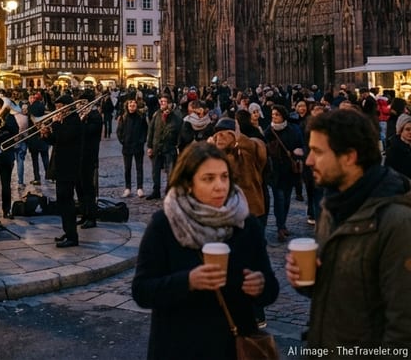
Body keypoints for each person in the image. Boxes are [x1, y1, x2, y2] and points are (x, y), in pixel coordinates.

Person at [131, 142, 279, 359]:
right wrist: (187, 281)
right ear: (189, 183)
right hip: (178, 347)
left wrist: (260, 286)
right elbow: (142, 291)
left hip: (232, 346)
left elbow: (270, 289)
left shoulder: (245, 224)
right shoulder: (165, 224)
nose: (219, 186)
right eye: (208, 178)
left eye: (224, 176)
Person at [285, 108, 411, 351]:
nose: (309, 160)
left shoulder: (398, 223)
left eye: (318, 152)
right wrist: (311, 281)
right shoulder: (333, 206)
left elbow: (403, 332)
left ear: (349, 157)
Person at [262, 105, 304, 242]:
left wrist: (298, 151)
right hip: (276, 171)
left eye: (277, 114)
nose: (274, 117)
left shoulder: (292, 130)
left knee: (286, 200)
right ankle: (280, 227)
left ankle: (283, 223)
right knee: (279, 199)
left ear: (283, 116)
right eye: (273, 114)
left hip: (289, 170)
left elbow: (299, 144)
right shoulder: (269, 131)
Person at [47, 94, 83, 248]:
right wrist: (45, 135)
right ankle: (67, 231)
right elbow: (55, 140)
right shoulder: (65, 121)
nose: (57, 111)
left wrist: (54, 125)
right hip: (60, 166)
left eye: (59, 107)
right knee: (62, 202)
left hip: (69, 167)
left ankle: (72, 236)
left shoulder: (74, 121)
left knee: (66, 201)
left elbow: (65, 137)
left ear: (67, 107)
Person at [146, 96, 183, 199]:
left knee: (170, 171)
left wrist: (178, 146)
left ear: (170, 104)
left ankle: (169, 192)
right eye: (160, 101)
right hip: (156, 146)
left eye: (164, 101)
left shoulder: (176, 117)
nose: (161, 103)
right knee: (155, 171)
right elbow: (151, 131)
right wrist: (149, 146)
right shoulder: (157, 115)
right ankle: (156, 191)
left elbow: (180, 133)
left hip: (169, 148)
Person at [77, 94, 104, 228]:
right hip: (79, 156)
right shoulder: (82, 116)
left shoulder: (95, 117)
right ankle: (84, 214)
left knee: (88, 188)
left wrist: (82, 120)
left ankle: (91, 217)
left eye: (82, 104)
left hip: (89, 156)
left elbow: (87, 131)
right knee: (80, 188)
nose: (79, 107)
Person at [119, 98, 149, 198]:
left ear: (136, 106)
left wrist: (142, 141)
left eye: (134, 106)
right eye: (130, 106)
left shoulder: (141, 117)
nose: (132, 107)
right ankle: (127, 188)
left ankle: (139, 188)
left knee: (139, 168)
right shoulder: (123, 117)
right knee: (127, 168)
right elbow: (119, 131)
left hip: (138, 146)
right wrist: (123, 141)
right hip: (127, 147)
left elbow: (145, 130)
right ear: (127, 107)